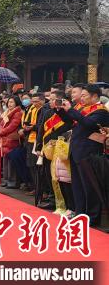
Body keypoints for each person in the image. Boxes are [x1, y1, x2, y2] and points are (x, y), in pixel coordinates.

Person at [58, 84, 109, 227]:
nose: (82, 98)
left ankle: (93, 217)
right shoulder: (82, 108)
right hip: (76, 150)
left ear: (94, 96)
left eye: (84, 95)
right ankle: (81, 214)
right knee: (77, 185)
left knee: (90, 186)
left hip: (89, 152)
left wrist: (72, 110)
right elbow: (70, 122)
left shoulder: (101, 111)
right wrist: (61, 111)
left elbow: (89, 123)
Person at [0, 97, 23, 189]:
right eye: (9, 102)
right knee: (5, 160)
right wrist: (2, 131)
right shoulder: (7, 112)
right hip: (5, 137)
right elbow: (2, 124)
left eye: (12, 102)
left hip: (12, 138)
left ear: (16, 103)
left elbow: (13, 126)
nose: (10, 104)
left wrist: (1, 132)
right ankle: (6, 179)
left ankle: (13, 181)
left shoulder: (18, 113)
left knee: (11, 161)